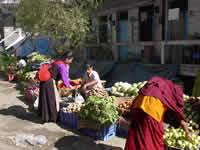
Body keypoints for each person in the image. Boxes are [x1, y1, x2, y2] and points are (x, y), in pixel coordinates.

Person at [124, 77, 192, 150]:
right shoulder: (175, 90)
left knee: (136, 135)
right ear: (179, 88)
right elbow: (179, 114)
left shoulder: (161, 83)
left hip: (137, 105)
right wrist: (187, 132)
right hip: (151, 110)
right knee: (152, 141)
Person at [38, 51, 74, 123]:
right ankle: (53, 117)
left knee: (45, 99)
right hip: (50, 82)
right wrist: (70, 86)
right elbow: (64, 78)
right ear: (67, 59)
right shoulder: (62, 65)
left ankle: (45, 116)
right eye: (71, 60)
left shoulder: (57, 62)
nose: (71, 61)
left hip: (44, 82)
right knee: (52, 99)